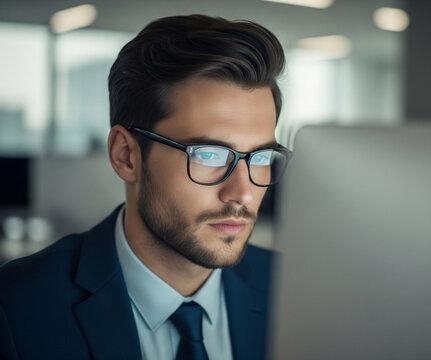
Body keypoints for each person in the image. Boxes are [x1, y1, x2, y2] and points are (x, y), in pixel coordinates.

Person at [0, 14, 291, 360]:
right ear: (126, 155)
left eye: (260, 157)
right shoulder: (15, 309)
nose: (242, 193)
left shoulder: (295, 291)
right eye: (210, 155)